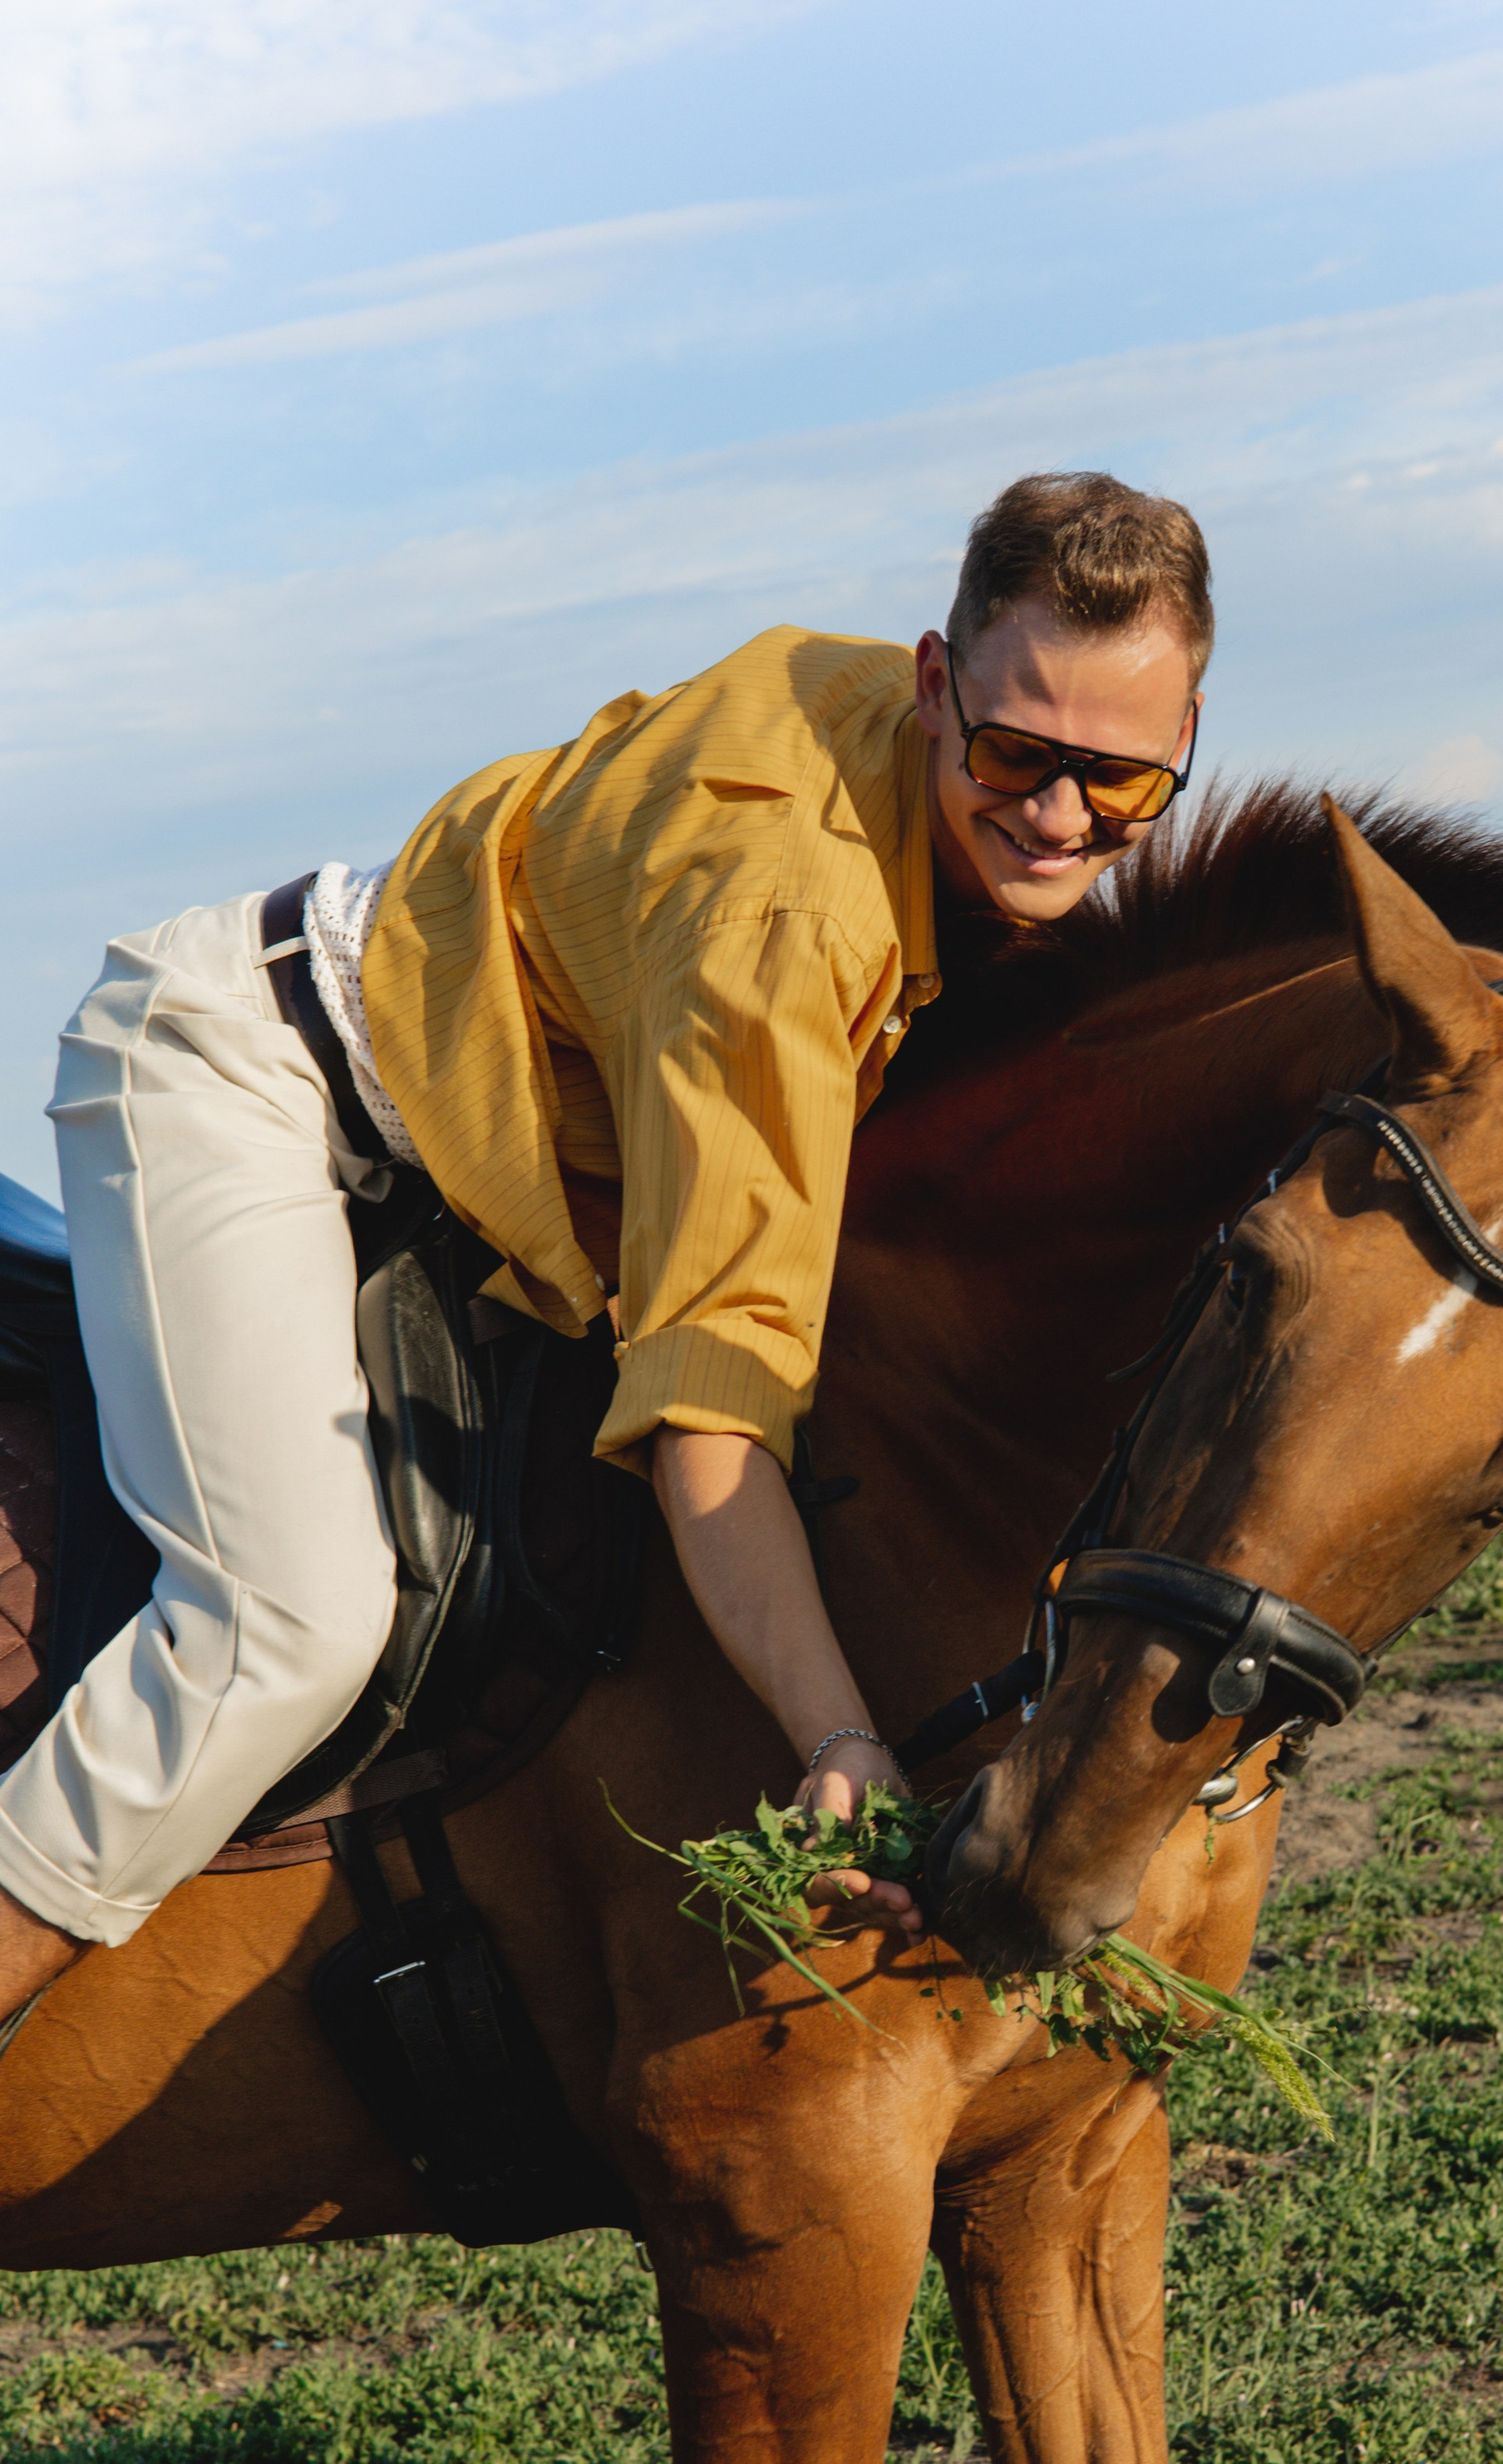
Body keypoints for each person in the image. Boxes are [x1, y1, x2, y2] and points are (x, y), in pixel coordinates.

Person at [0, 472, 1211, 2018]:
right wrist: (844, 1742)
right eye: (1022, 754)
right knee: (285, 1629)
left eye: (1121, 784)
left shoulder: (901, 743)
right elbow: (710, 1412)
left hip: (473, 1149)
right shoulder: (785, 916)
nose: (1060, 818)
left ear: (1183, 745)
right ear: (930, 681)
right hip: (252, 1078)